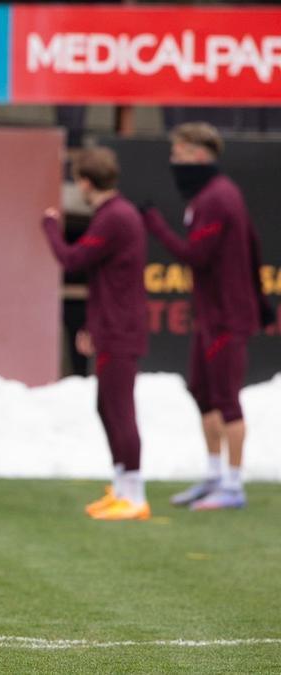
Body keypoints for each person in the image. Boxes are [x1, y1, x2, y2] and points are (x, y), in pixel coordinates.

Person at [142, 122, 271, 511]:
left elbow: (197, 256)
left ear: (199, 155)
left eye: (178, 155)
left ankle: (233, 485)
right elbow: (252, 245)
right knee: (202, 392)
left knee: (226, 399)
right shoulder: (209, 196)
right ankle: (214, 475)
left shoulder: (218, 197)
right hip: (212, 314)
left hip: (227, 317)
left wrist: (156, 227)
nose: (173, 163)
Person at [41, 147, 150, 520]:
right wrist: (92, 324)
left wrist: (51, 227)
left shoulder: (115, 217)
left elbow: (73, 260)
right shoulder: (113, 215)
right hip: (111, 325)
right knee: (106, 407)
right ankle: (122, 487)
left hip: (121, 328)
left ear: (85, 182)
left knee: (120, 410)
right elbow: (106, 279)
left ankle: (134, 495)